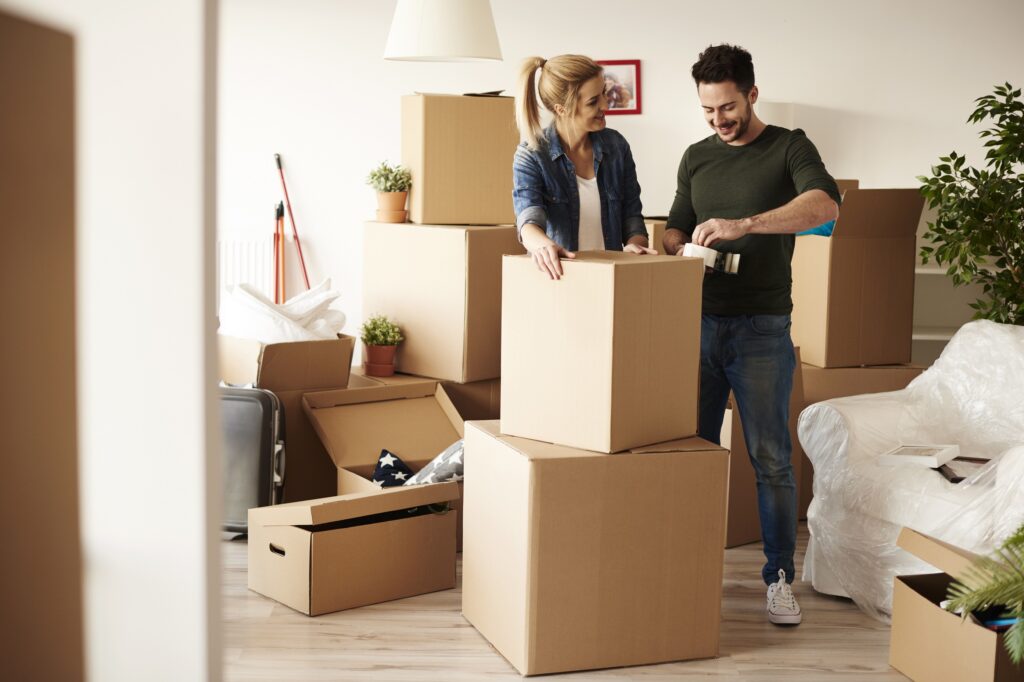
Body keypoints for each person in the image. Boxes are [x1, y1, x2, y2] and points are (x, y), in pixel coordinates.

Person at [663, 44, 841, 626]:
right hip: (698, 324)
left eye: (728, 107)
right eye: (709, 110)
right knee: (689, 452)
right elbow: (676, 225)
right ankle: (681, 570)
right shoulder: (696, 157)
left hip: (763, 330)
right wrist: (666, 244)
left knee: (770, 459)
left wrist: (745, 224)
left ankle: (779, 580)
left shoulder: (790, 146)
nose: (719, 120)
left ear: (752, 93)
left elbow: (826, 207)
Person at [513, 54, 655, 280]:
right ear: (562, 109)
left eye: (604, 93)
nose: (605, 105)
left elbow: (632, 217)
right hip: (562, 280)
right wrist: (543, 246)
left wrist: (634, 247)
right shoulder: (532, 156)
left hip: (613, 279)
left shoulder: (617, 146)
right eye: (593, 101)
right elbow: (529, 219)